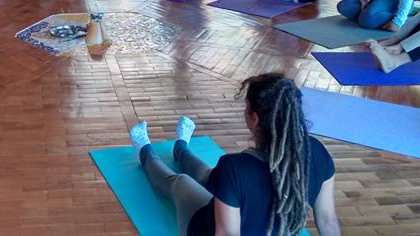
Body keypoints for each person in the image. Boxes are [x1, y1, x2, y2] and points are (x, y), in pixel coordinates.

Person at [129, 73, 340, 236]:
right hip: (249, 204)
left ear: (254, 118)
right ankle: (181, 148)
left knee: (181, 182)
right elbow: (328, 221)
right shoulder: (318, 152)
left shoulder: (234, 167)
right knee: (213, 176)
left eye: (246, 107)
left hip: (204, 228)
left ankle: (144, 150)